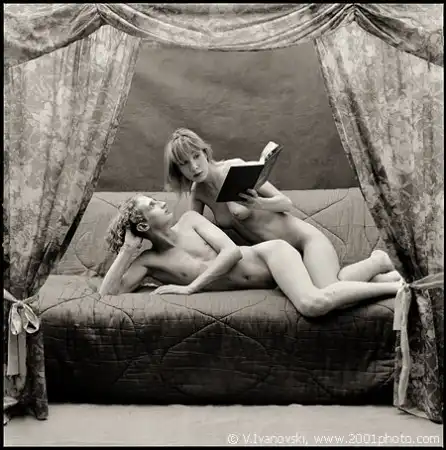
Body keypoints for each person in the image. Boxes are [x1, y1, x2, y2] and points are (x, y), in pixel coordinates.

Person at [164, 128, 402, 288]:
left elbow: (286, 203)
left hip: (304, 241)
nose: (194, 167)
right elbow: (189, 236)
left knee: (328, 288)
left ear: (205, 153)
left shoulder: (233, 169)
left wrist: (258, 203)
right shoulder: (199, 194)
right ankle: (385, 276)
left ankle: (378, 262)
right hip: (281, 258)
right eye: (184, 163)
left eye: (196, 156)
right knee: (331, 287)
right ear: (179, 170)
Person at [99, 194, 402, 318]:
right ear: (143, 225)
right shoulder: (148, 262)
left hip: (271, 256)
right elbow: (108, 294)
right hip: (274, 281)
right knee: (331, 287)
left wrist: (191, 288)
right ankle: (378, 266)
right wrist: (127, 251)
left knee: (313, 304)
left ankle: (399, 288)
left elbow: (231, 253)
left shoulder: (190, 221)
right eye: (152, 205)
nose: (162, 203)